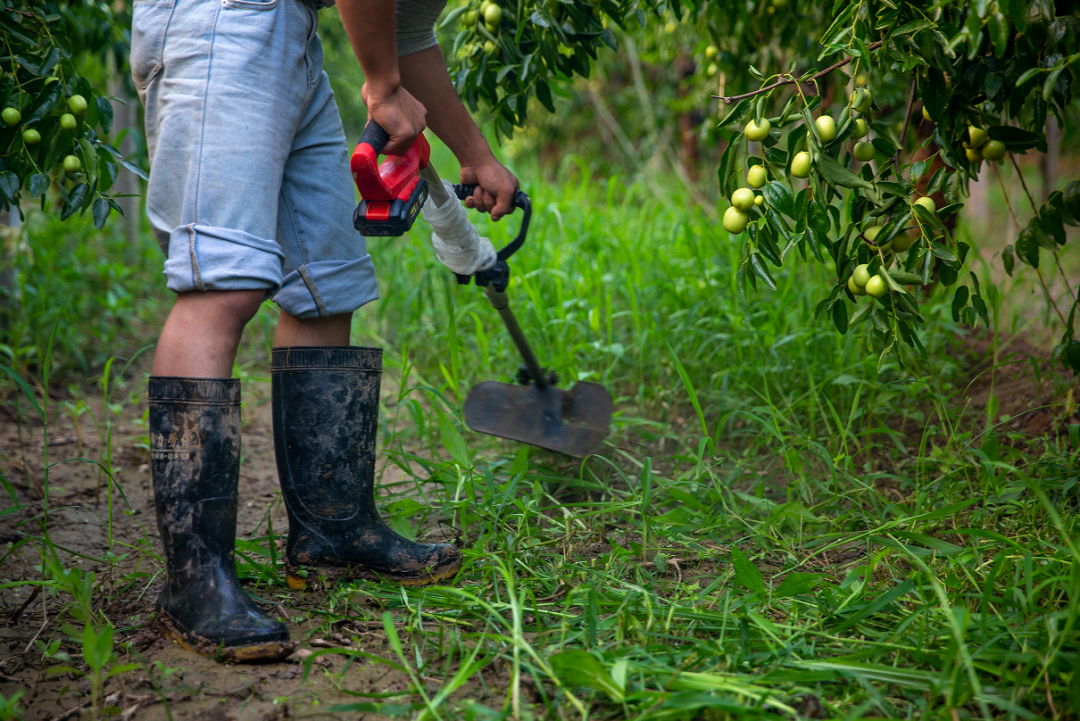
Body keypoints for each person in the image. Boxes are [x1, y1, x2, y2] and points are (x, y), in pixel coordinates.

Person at [131, 0, 518, 662]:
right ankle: (195, 585)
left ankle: (331, 532)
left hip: (290, 32)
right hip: (222, 20)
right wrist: (384, 85)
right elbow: (390, 52)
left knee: (323, 283)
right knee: (221, 281)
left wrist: (474, 152)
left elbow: (406, 31)